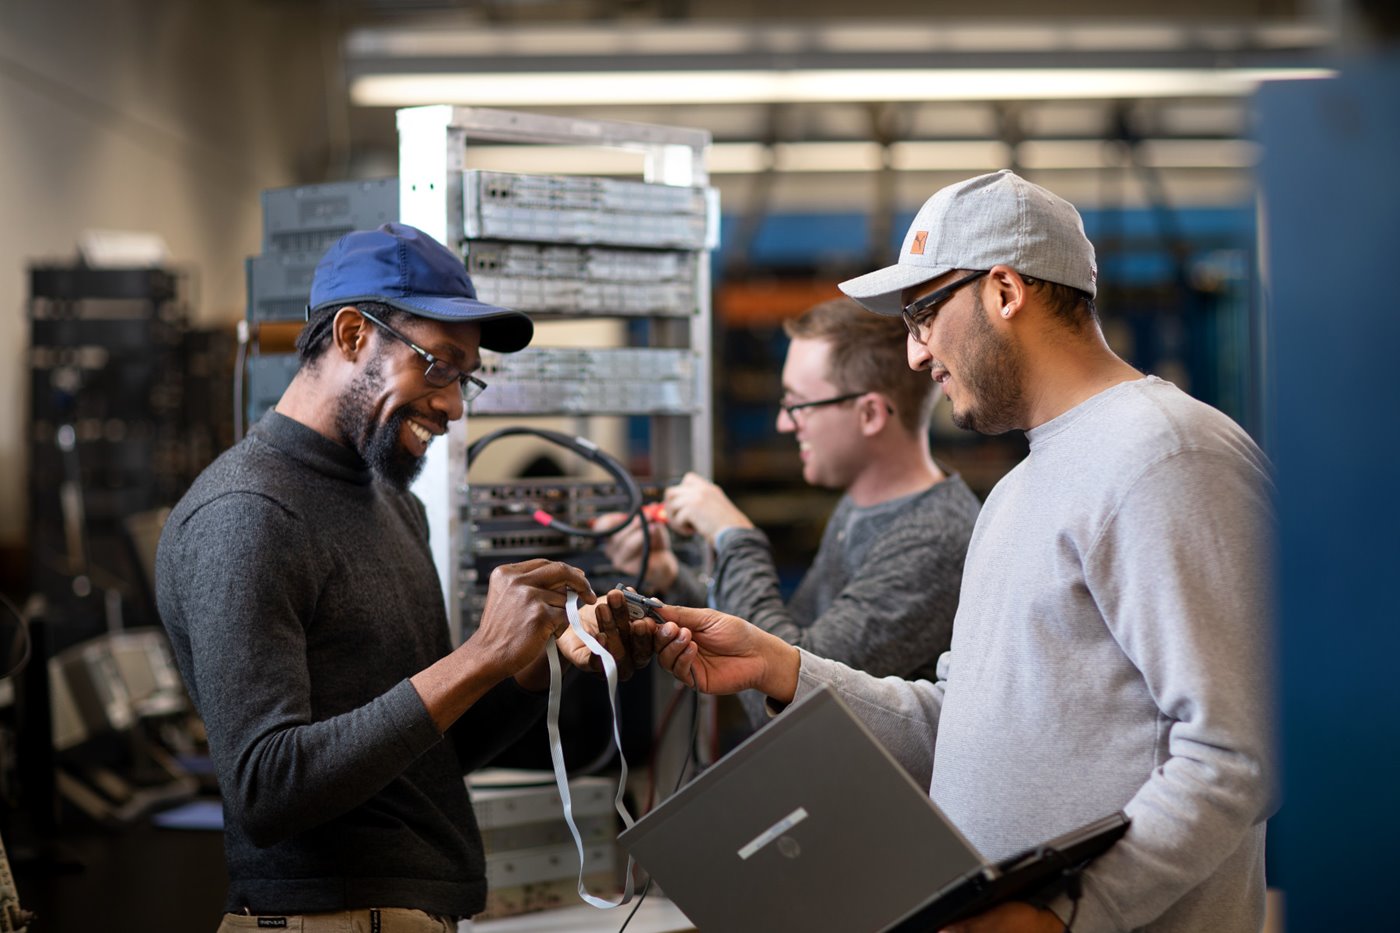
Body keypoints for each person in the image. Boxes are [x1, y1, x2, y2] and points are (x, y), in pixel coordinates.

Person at [645, 170, 1275, 933]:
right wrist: (786, 668)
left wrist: (1070, 911)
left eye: (923, 314)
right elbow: (959, 723)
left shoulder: (1167, 456)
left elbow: (1236, 750)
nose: (914, 354)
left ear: (1004, 291)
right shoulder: (1016, 491)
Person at [156, 222, 641, 930]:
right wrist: (477, 654)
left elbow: (426, 756)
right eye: (437, 364)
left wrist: (538, 666)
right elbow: (267, 788)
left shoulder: (391, 504)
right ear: (353, 335)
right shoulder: (248, 515)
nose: (453, 404)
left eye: (465, 376)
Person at [605, 297, 980, 726]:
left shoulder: (933, 540)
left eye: (798, 404)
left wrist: (735, 537)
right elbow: (778, 643)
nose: (785, 424)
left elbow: (787, 702)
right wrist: (670, 578)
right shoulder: (864, 506)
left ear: (870, 414)